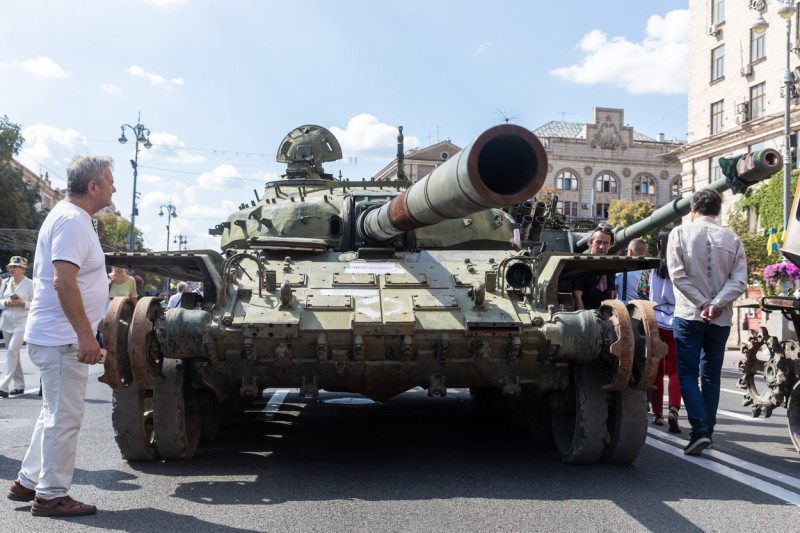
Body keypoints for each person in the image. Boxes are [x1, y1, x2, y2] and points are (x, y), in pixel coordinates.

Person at [7, 155, 115, 516]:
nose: (114, 188)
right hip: (61, 338)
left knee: (51, 413)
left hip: (54, 335)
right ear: (93, 187)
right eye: (109, 182)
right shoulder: (71, 220)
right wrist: (86, 336)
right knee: (64, 417)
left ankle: (27, 481)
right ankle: (51, 495)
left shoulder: (75, 219)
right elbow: (63, 281)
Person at [667, 189, 747, 456]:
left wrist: (703, 303)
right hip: (720, 318)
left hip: (690, 314)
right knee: (711, 376)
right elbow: (739, 281)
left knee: (688, 373)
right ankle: (707, 432)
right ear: (718, 210)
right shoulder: (732, 238)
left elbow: (677, 275)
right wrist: (715, 304)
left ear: (692, 209)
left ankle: (700, 430)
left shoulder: (679, 233)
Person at [649, 228, 681, 432]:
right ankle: (674, 410)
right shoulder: (680, 264)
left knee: (657, 371)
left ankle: (658, 414)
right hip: (677, 320)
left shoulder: (654, 266)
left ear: (660, 244)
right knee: (676, 371)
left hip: (656, 319)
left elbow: (649, 293)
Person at [0, 256, 33, 398]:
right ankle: (19, 386)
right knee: (13, 354)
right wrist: (6, 302)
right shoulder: (6, 282)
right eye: (10, 266)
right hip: (6, 323)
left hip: (22, 323)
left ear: (23, 269)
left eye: (15, 267)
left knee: (12, 351)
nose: (11, 269)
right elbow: (0, 300)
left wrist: (22, 303)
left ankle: (3, 386)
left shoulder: (30, 284)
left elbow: (36, 304)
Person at [571, 225, 616, 310]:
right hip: (587, 316)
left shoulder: (610, 266)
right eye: (598, 242)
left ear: (610, 245)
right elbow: (577, 296)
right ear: (591, 243)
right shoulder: (582, 264)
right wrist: (584, 319)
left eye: (606, 243)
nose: (602, 247)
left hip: (605, 315)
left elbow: (612, 293)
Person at [615, 238, 650, 304]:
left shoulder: (620, 270)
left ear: (629, 252)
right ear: (645, 252)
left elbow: (613, 291)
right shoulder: (649, 271)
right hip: (643, 310)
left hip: (624, 310)